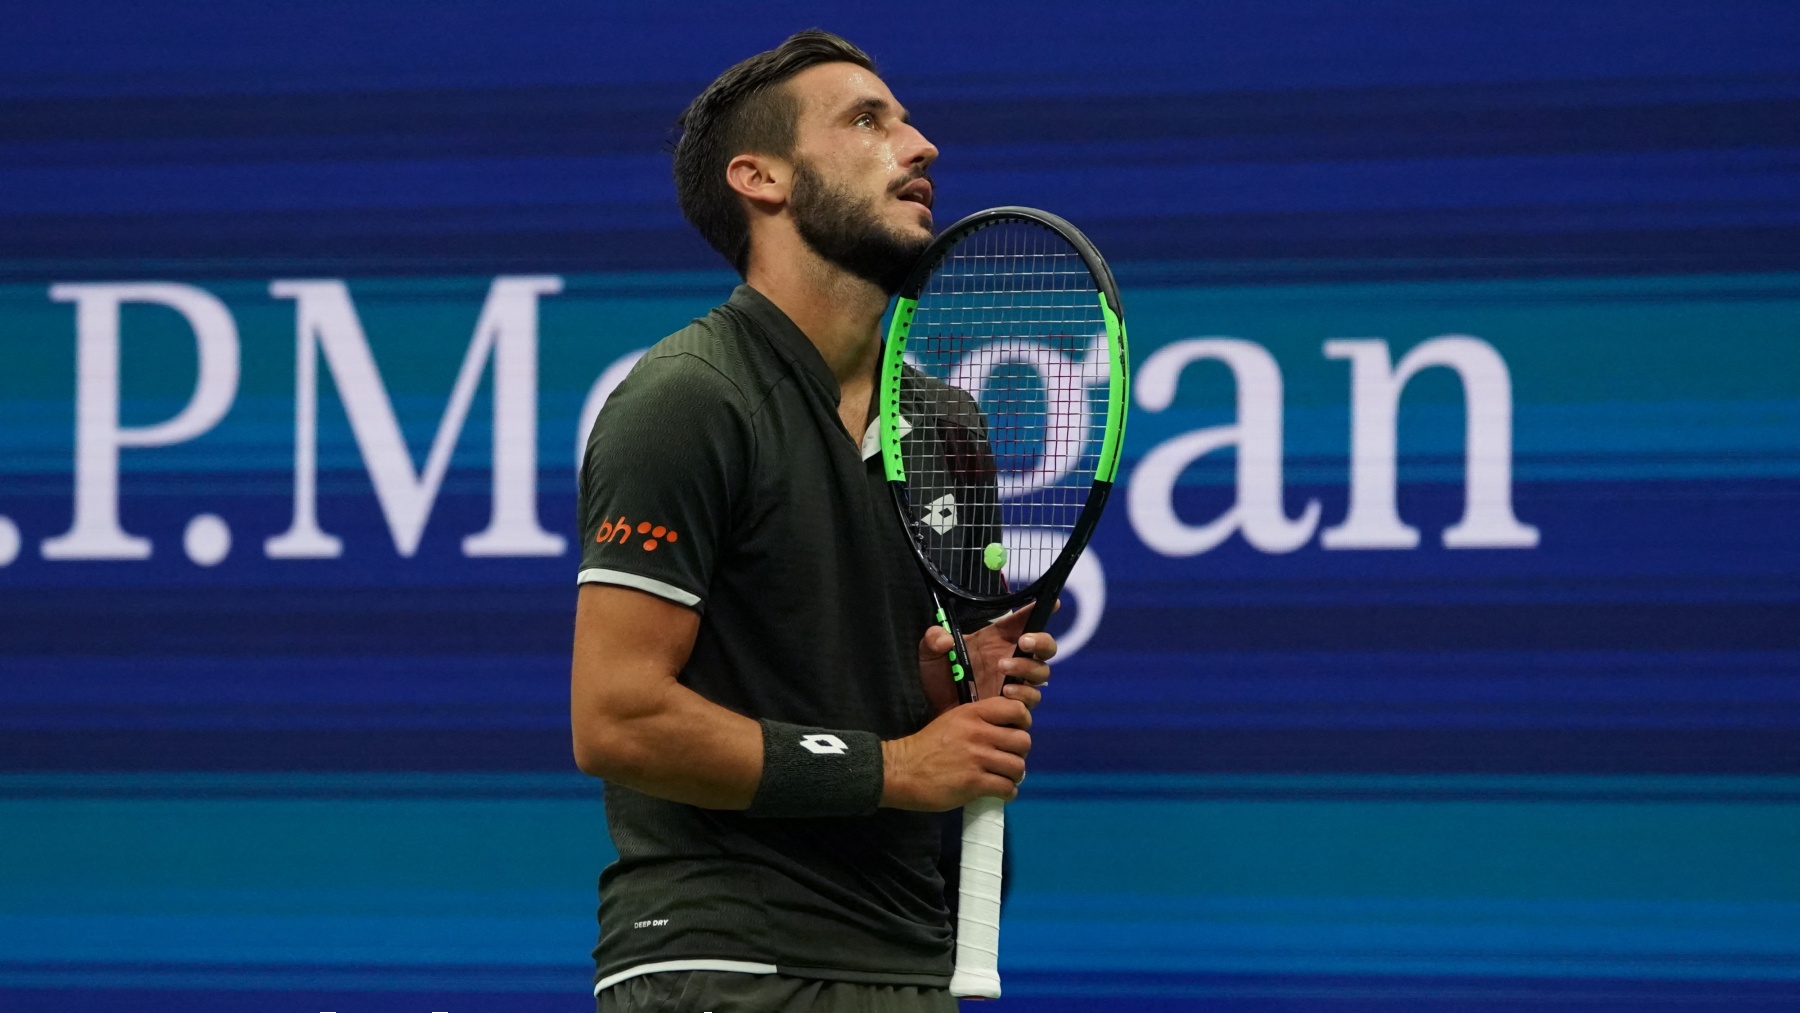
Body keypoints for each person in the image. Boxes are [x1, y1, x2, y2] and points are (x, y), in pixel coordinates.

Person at [570, 29, 1058, 1013]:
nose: (920, 147)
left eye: (910, 120)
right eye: (868, 121)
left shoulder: (945, 425)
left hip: (911, 960)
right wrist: (897, 761)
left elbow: (930, 739)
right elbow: (616, 716)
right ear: (761, 178)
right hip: (729, 963)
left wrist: (938, 688)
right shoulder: (688, 399)